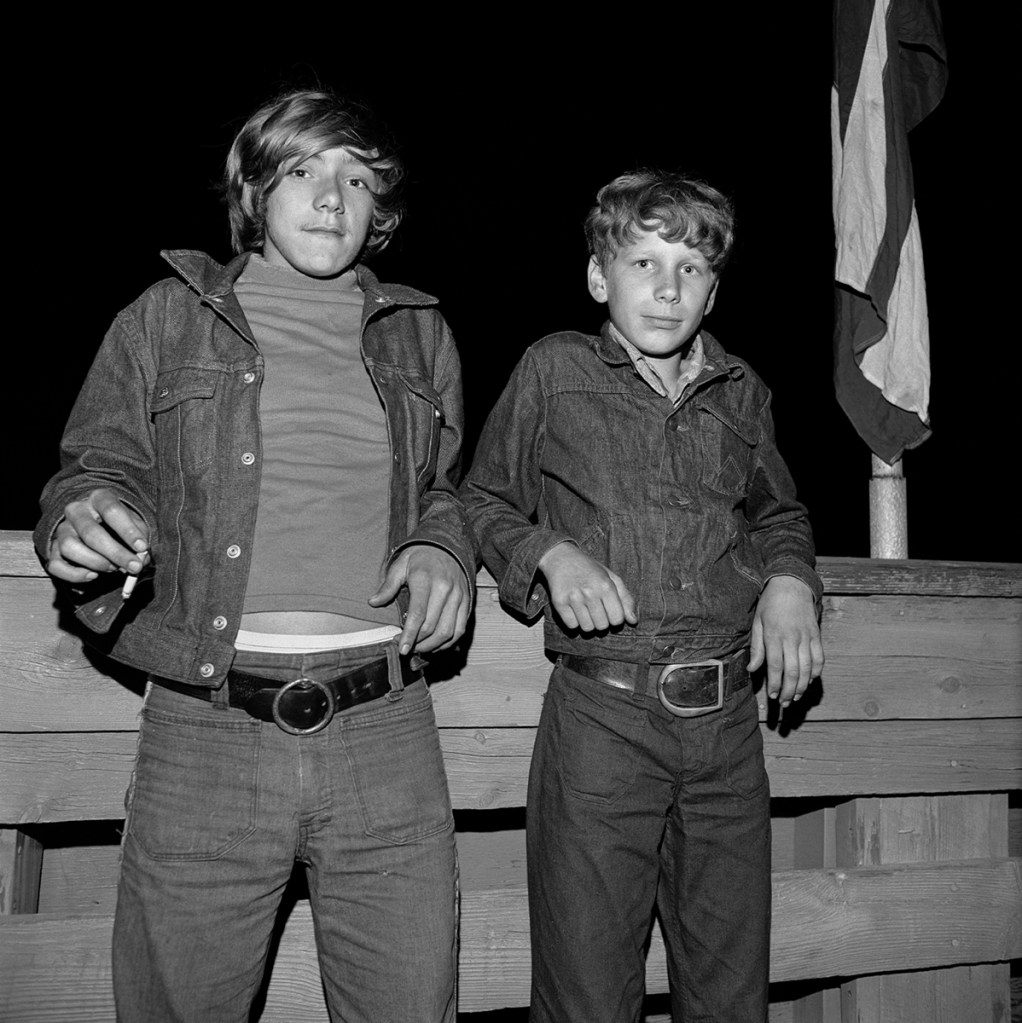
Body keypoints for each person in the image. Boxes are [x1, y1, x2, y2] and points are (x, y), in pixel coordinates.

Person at [34, 88, 473, 1023]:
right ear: (255, 190)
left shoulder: (421, 333)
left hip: (386, 728)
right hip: (206, 730)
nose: (330, 196)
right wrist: (82, 513)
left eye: (356, 179)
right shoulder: (164, 316)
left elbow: (443, 487)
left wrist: (443, 542)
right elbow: (93, 464)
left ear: (380, 210)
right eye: (305, 170)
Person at [460, 170, 825, 1022]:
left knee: (731, 991)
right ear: (599, 277)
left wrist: (791, 578)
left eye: (691, 268)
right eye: (643, 262)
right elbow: (480, 499)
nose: (667, 287)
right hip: (604, 723)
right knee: (587, 989)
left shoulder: (744, 392)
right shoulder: (554, 369)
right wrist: (549, 551)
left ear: (713, 288)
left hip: (729, 728)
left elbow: (781, 511)